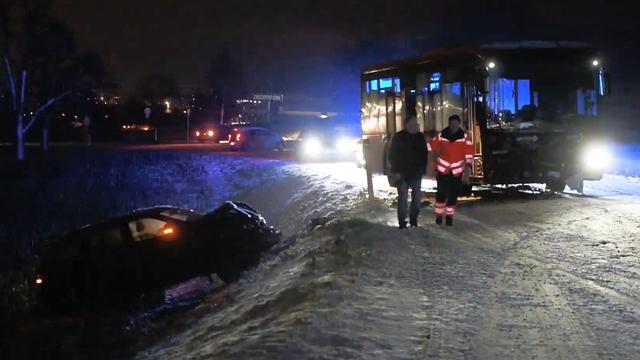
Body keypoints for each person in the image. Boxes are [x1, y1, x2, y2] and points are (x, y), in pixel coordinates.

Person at [428, 115, 473, 226]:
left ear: (459, 124)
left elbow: (469, 155)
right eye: (452, 124)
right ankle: (439, 217)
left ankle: (449, 218)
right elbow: (430, 147)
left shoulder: (465, 138)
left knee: (453, 197)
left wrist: (467, 170)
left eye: (455, 124)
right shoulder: (441, 135)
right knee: (440, 196)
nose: (453, 127)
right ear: (449, 124)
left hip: (456, 173)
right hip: (443, 172)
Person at [388, 116, 428, 229]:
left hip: (416, 173)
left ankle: (414, 220)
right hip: (402, 174)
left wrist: (423, 169)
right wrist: (396, 171)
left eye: (417, 123)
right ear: (407, 125)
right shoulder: (399, 137)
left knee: (416, 198)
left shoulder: (420, 137)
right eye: (414, 123)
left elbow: (424, 153)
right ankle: (402, 222)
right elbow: (392, 155)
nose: (417, 125)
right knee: (403, 198)